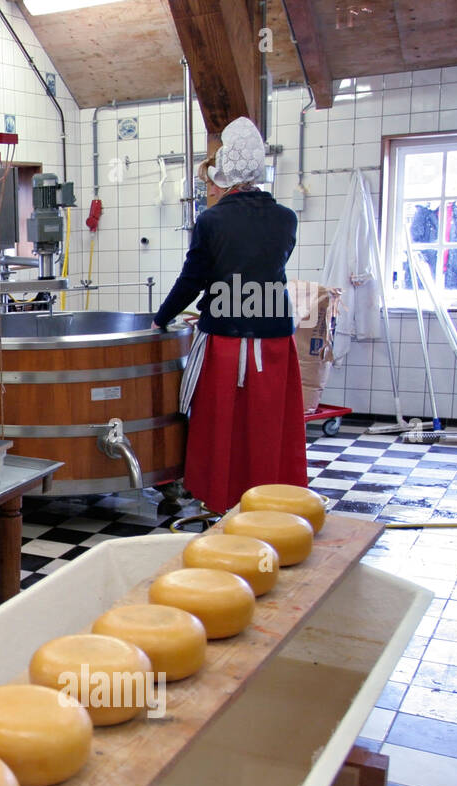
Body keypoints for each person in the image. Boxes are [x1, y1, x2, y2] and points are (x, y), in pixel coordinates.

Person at [152, 116, 306, 513]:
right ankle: (273, 500)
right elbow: (258, 272)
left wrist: (162, 317)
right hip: (274, 337)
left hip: (227, 340)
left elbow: (194, 278)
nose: (207, 191)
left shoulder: (212, 220)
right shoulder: (287, 218)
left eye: (208, 183)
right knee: (269, 424)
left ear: (221, 180)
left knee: (223, 426)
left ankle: (221, 500)